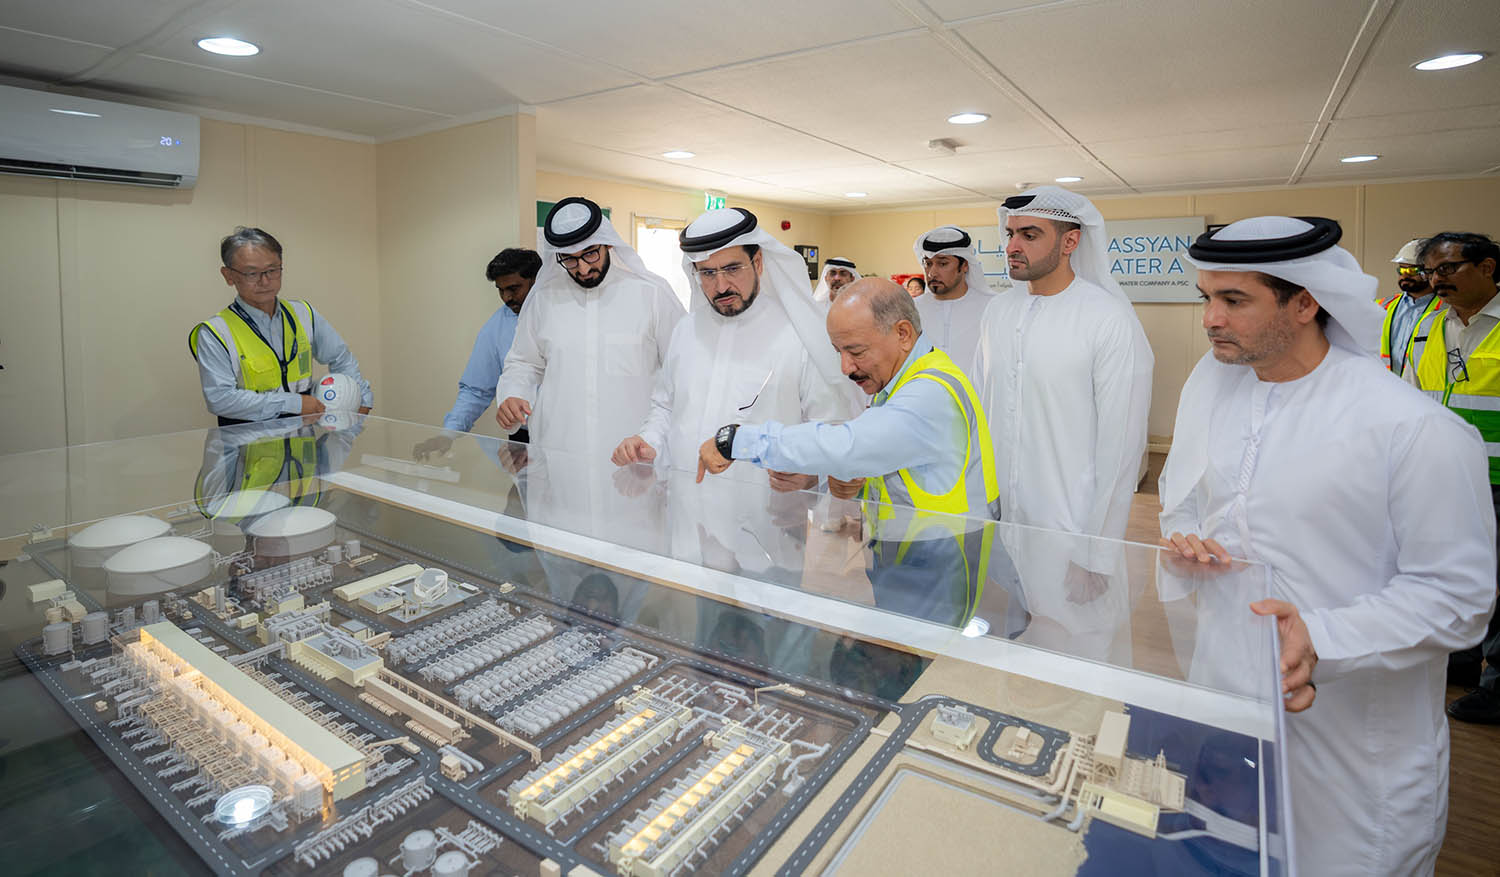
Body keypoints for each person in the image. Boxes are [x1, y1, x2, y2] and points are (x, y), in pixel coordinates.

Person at [1160, 216, 1494, 876]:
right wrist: (1190, 547)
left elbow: (1460, 598)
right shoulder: (1215, 396)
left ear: (1306, 302)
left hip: (1352, 743)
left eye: (1234, 300)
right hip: (1227, 709)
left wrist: (1323, 635)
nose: (1211, 320)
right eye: (1207, 298)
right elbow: (1198, 510)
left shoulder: (1412, 429)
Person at [696, 277, 1000, 625]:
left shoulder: (930, 393)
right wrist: (839, 481)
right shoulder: (901, 383)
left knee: (923, 657)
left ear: (902, 334)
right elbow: (904, 470)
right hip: (908, 553)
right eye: (838, 352)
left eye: (856, 351)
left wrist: (738, 440)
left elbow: (849, 446)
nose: (845, 367)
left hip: (940, 562)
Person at [974, 186, 1153, 544]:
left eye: (1029, 235)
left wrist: (1097, 550)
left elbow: (1121, 448)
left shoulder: (1107, 318)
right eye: (1010, 234)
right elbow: (979, 413)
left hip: (1069, 529)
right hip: (996, 520)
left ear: (1070, 241)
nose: (1011, 247)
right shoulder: (997, 311)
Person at [495, 197, 683, 460]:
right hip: (562, 452)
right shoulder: (544, 300)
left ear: (608, 243)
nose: (582, 268)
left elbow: (681, 373)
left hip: (634, 455)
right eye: (569, 260)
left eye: (590, 254)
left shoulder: (652, 295)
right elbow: (523, 362)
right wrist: (513, 394)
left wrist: (656, 438)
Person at [1403, 231, 1500, 718]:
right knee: (1456, 569)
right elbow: (1410, 392)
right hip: (1443, 474)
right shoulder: (1428, 324)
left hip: (1497, 475)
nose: (1436, 279)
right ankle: (1460, 661)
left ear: (1487, 267)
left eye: (1447, 269)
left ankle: (1497, 689)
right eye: (1431, 271)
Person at [190, 227, 372, 425]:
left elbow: (341, 357)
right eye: (252, 273)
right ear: (228, 276)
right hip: (247, 438)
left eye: (272, 270)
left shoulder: (304, 313)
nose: (265, 281)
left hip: (304, 435)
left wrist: (361, 398)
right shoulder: (215, 332)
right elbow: (220, 399)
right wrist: (294, 403)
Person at [414, 248, 541, 460]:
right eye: (501, 290)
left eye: (514, 288)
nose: (507, 298)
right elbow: (476, 390)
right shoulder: (497, 326)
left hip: (568, 434)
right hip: (523, 437)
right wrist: (448, 434)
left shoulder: (566, 315)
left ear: (536, 281)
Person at [911, 226, 998, 377]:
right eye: (928, 263)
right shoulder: (912, 309)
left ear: (964, 266)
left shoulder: (992, 307)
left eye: (942, 264)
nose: (932, 273)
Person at [1380, 237, 1441, 375]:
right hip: (1387, 383)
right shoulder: (1383, 306)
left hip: (1425, 384)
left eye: (1412, 270)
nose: (1404, 276)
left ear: (1429, 272)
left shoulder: (1448, 309)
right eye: (1402, 270)